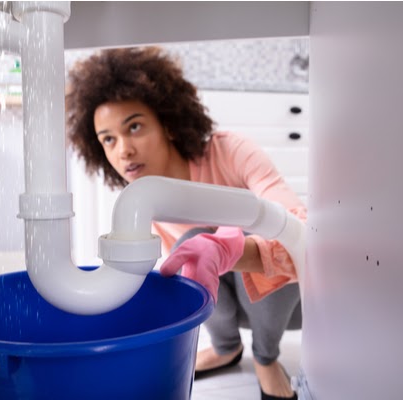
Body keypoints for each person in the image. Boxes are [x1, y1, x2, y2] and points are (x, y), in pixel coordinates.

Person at [65, 46, 305, 400]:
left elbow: (301, 231)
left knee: (250, 223)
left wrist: (231, 248)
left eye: (134, 127)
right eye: (109, 139)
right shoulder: (146, 199)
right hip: (233, 311)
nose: (123, 151)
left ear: (169, 125)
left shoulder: (231, 152)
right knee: (189, 244)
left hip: (291, 302)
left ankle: (266, 358)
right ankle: (226, 347)